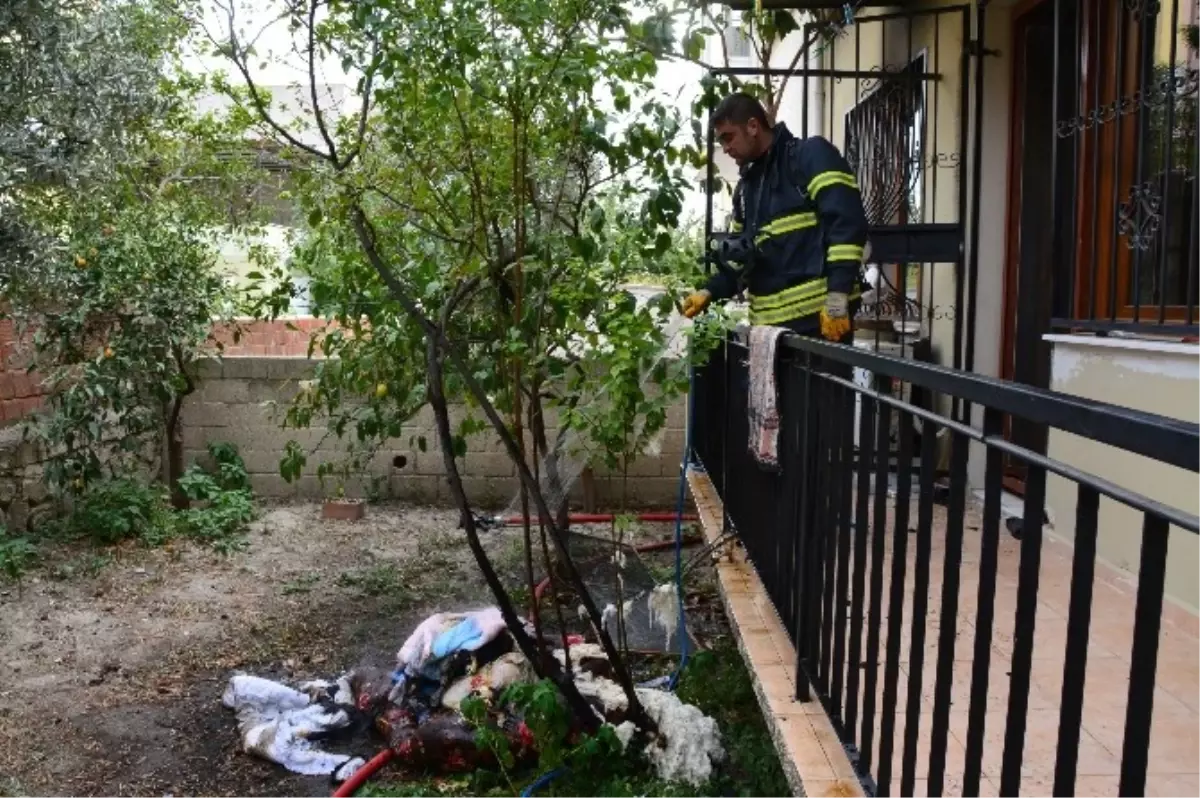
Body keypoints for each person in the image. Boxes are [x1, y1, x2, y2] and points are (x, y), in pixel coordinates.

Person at [681, 92, 868, 343]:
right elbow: (740, 259)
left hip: (821, 325)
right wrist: (710, 291)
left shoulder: (809, 157)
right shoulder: (746, 190)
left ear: (753, 126)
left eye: (728, 137)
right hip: (770, 336)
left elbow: (846, 225)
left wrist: (837, 299)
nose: (725, 148)